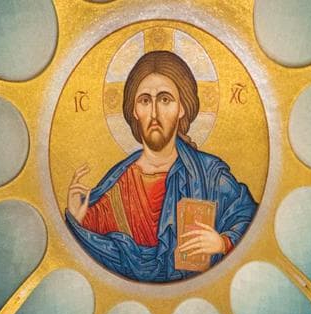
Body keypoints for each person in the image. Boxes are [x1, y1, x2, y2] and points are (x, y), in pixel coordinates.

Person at [65, 49, 257, 282]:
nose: (154, 112)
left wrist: (223, 242)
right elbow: (88, 256)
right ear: (134, 110)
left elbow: (249, 219)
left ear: (182, 108)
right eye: (145, 101)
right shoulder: (116, 186)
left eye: (165, 99)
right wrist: (76, 220)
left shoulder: (210, 176)